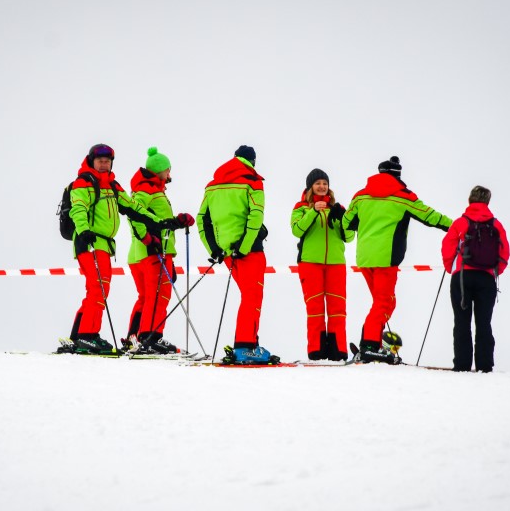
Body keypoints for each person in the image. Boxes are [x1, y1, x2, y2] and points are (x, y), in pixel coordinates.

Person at [343, 155, 452, 363]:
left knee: (382, 303)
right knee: (384, 303)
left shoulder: (360, 196)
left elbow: (346, 223)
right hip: (387, 257)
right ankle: (369, 346)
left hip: (364, 258)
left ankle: (370, 342)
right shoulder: (403, 196)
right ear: (398, 175)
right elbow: (431, 216)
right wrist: (457, 227)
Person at [64, 143, 171, 355]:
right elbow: (78, 208)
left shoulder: (112, 185)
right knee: (99, 288)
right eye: (100, 161)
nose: (104, 164)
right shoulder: (84, 182)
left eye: (107, 161)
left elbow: (133, 207)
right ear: (92, 161)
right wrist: (84, 230)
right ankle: (88, 336)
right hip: (90, 241)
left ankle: (78, 337)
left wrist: (162, 223)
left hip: (103, 244)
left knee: (96, 289)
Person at [197, 145, 278, 364]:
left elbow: (202, 220)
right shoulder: (253, 182)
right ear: (252, 161)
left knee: (247, 297)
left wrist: (214, 250)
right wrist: (244, 246)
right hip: (248, 251)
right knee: (253, 297)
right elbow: (256, 216)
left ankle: (247, 342)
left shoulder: (212, 185)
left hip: (226, 253)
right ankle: (245, 347)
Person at [125, 147, 194, 353]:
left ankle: (135, 338)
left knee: (146, 297)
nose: (169, 173)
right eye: (167, 169)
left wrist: (177, 222)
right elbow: (134, 215)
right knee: (159, 295)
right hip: (153, 250)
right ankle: (151, 338)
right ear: (159, 170)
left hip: (141, 252)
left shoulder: (146, 188)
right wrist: (148, 239)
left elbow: (157, 220)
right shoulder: (147, 189)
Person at [441, 186, 510, 372]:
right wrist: (495, 272)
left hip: (462, 277)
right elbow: (504, 252)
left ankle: (462, 365)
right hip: (486, 279)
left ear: (470, 200)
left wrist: (451, 268)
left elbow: (447, 247)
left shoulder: (460, 223)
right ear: (488, 201)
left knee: (462, 322)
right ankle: (485, 365)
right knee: (484, 323)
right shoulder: (496, 225)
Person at [291, 168, 354, 361]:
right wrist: (313, 212)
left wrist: (344, 219)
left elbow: (349, 237)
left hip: (336, 263)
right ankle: (316, 351)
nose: (322, 186)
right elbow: (296, 230)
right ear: (310, 187)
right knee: (315, 308)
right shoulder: (301, 208)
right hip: (310, 263)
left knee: (338, 309)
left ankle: (338, 351)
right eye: (318, 183)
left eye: (325, 183)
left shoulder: (336, 208)